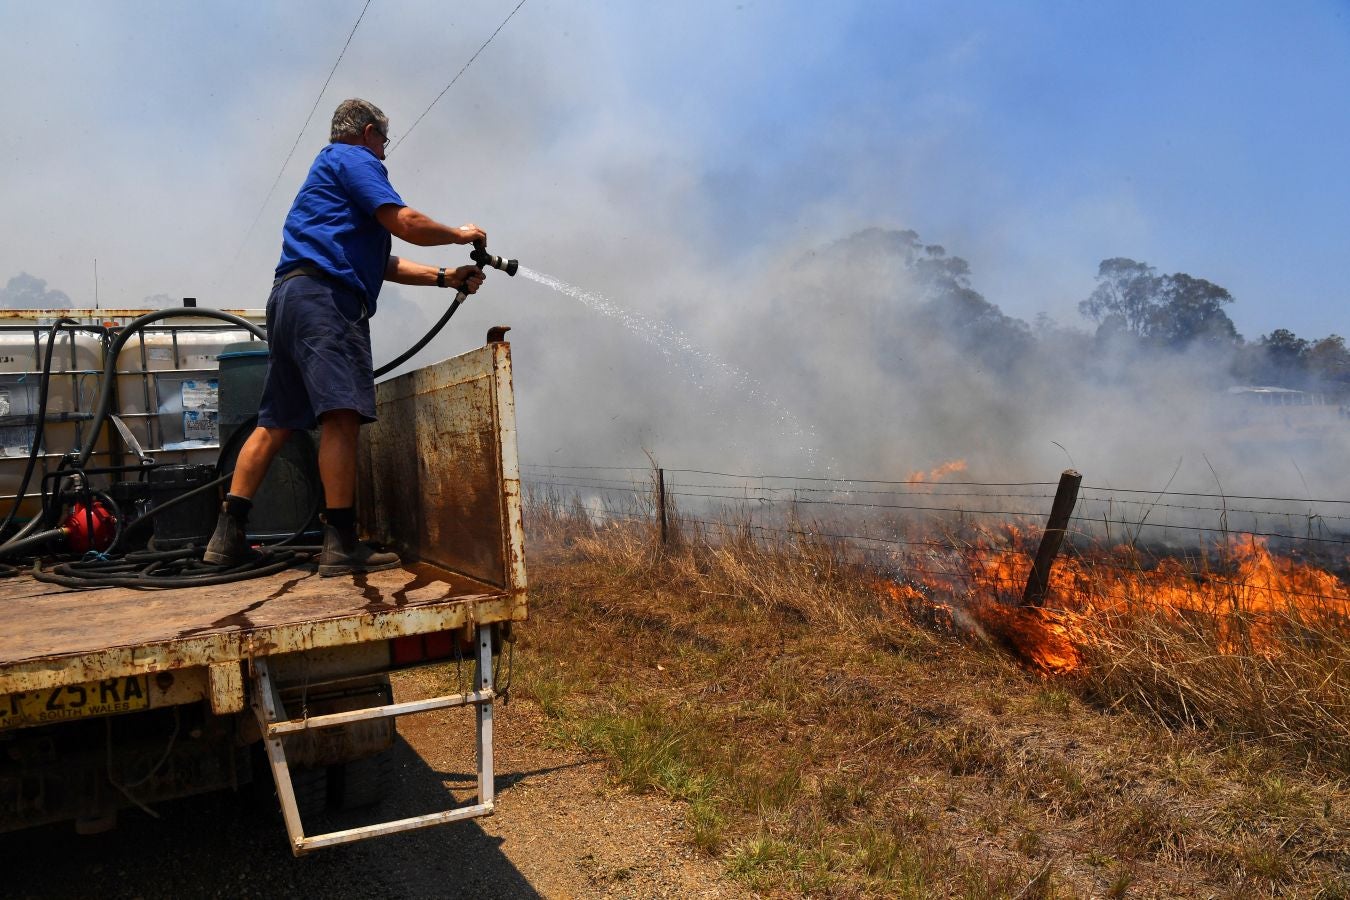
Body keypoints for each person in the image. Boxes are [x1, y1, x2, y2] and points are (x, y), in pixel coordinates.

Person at [204, 98, 486, 576]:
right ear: (368, 131)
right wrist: (459, 234)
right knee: (341, 416)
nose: (384, 154)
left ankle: (226, 536)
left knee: (276, 421)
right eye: (383, 142)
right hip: (327, 303)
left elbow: (383, 263)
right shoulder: (352, 158)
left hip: (292, 297)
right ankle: (340, 542)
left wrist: (446, 277)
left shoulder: (325, 178)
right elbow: (406, 223)